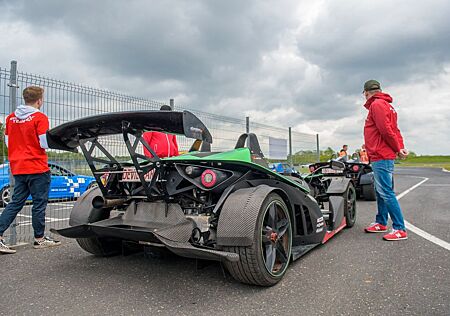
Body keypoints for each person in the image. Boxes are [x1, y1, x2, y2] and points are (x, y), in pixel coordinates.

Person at [0, 86, 61, 254]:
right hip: (37, 166)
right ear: (39, 100)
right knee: (39, 203)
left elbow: (7, 142)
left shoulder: (11, 118)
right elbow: (43, 143)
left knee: (15, 202)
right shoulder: (40, 117)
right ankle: (39, 239)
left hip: (18, 167)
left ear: (25, 98)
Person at [362, 80, 409, 241]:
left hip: (381, 154)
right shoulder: (388, 106)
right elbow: (395, 130)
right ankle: (381, 222)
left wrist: (397, 148)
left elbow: (386, 130)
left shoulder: (377, 105)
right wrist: (400, 147)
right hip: (382, 154)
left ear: (366, 93)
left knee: (386, 192)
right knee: (380, 191)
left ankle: (399, 228)